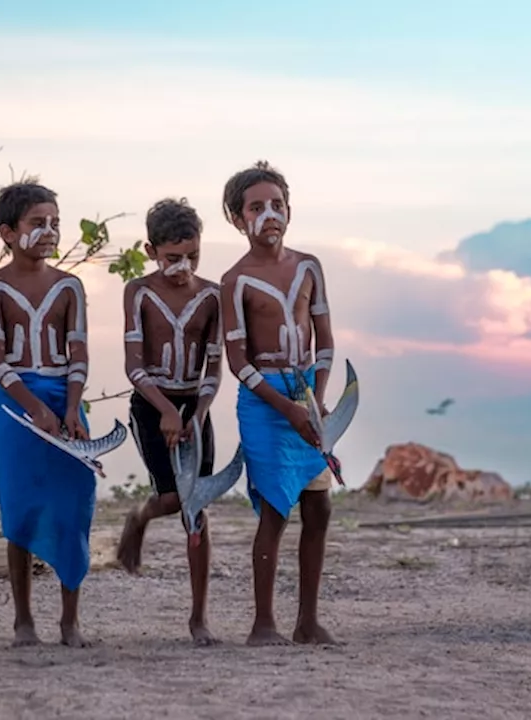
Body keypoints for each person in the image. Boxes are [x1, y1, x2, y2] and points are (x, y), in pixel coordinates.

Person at [218, 160, 339, 647]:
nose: (269, 215)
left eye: (277, 205)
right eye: (256, 207)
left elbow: (325, 341)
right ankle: (263, 623)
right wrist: (284, 406)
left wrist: (317, 397)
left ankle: (307, 621)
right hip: (264, 401)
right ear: (237, 218)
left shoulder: (309, 266)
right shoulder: (236, 280)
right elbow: (238, 361)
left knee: (320, 507)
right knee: (275, 510)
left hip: (306, 393)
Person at [0, 182, 95, 649]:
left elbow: (79, 351)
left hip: (64, 398)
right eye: (37, 223)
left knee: (73, 506)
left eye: (55, 224)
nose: (49, 232)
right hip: (16, 403)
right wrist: (34, 409)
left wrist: (69, 407)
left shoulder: (70, 286)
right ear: (7, 232)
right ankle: (23, 620)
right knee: (21, 510)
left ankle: (70, 621)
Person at [116, 197, 223, 646]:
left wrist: (196, 413)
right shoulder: (138, 293)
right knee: (170, 498)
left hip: (194, 404)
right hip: (151, 402)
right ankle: (140, 517)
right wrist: (163, 411)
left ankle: (198, 619)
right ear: (151, 251)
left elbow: (214, 367)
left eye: (192, 256)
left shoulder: (213, 297)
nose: (183, 266)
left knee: (196, 506)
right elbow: (134, 367)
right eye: (172, 257)